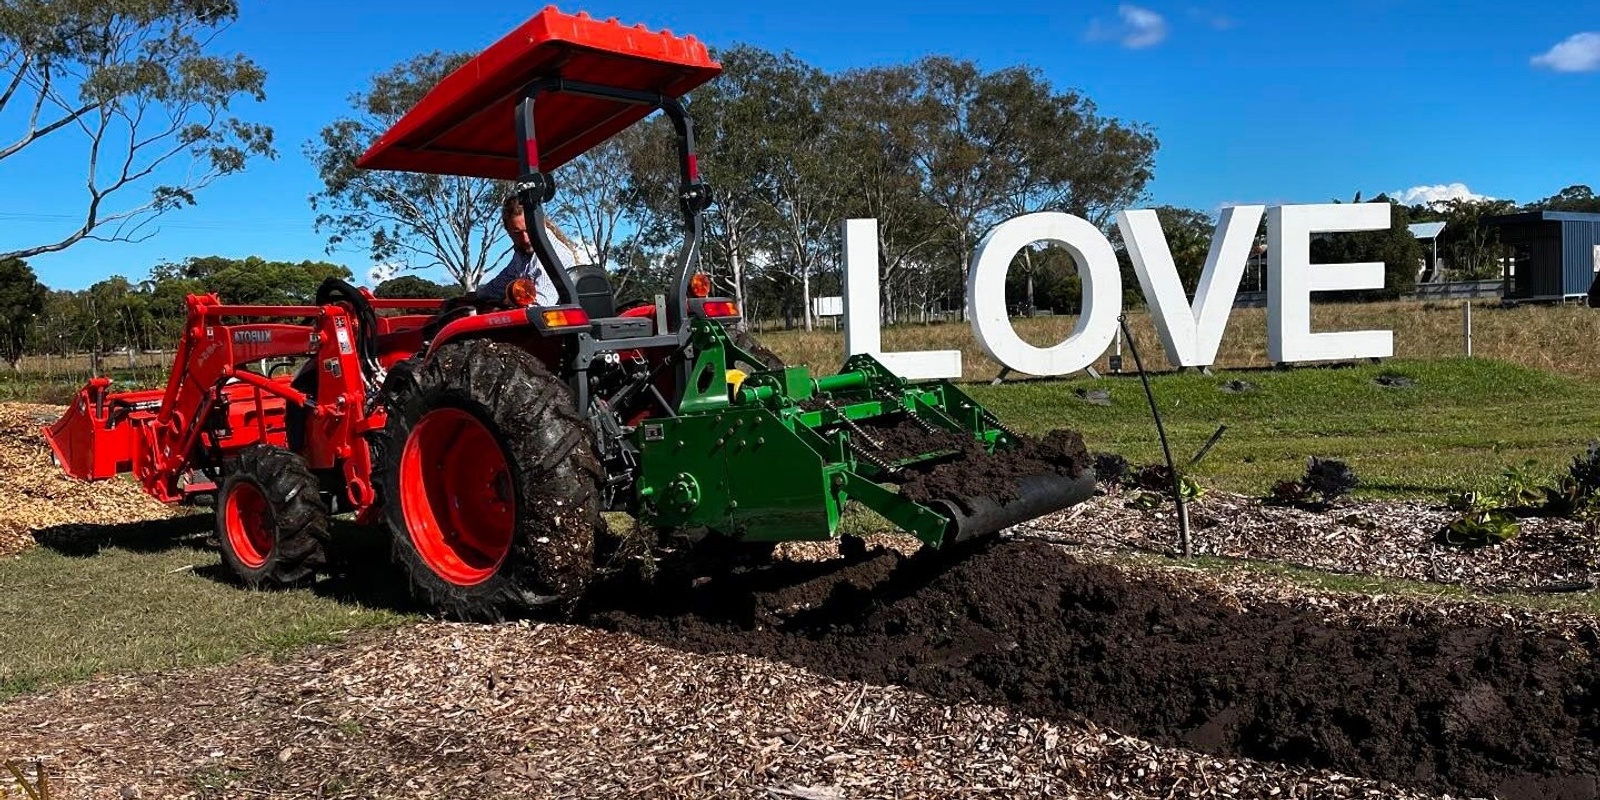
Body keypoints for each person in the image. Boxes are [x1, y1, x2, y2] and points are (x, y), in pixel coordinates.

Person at [475, 194, 575, 306]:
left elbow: (540, 304)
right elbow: (501, 283)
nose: (525, 239)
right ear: (508, 233)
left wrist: (507, 302)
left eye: (528, 230)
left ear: (540, 225)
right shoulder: (522, 254)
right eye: (517, 233)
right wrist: (475, 297)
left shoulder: (555, 256)